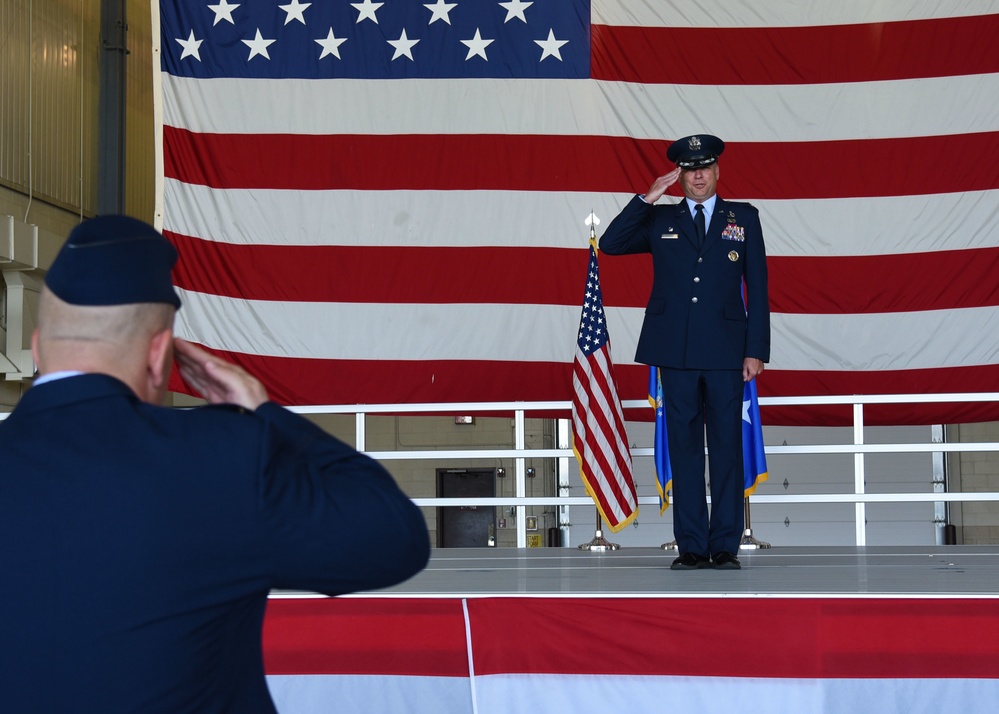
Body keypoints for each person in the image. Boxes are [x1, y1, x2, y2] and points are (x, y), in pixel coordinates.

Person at [0, 215, 430, 712]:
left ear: (35, 346)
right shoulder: (220, 457)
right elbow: (393, 537)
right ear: (158, 354)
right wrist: (266, 416)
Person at [600, 134, 770, 571]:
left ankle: (724, 545)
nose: (698, 175)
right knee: (686, 449)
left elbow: (760, 287)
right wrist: (647, 196)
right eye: (690, 169)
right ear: (680, 176)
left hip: (727, 352)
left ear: (717, 171)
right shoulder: (659, 219)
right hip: (674, 350)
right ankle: (692, 545)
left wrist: (756, 350)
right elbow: (612, 243)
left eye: (705, 167)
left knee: (727, 448)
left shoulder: (743, 218)